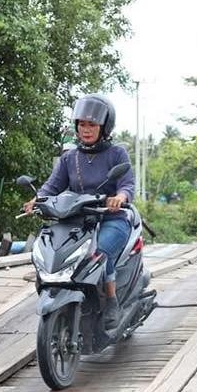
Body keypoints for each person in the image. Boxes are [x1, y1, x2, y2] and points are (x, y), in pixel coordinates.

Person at [24, 94, 134, 329]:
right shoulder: (70, 157)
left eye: (92, 124)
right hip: (78, 220)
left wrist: (120, 197)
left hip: (111, 218)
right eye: (82, 124)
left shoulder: (117, 154)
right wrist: (37, 199)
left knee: (100, 252)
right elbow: (52, 186)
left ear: (104, 127)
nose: (86, 129)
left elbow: (127, 184)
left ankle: (111, 299)